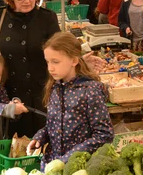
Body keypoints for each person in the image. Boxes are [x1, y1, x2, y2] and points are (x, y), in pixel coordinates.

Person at [0, 0, 60, 138]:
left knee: (45, 147)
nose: (27, 0)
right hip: (10, 96)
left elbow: (61, 52)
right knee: (14, 147)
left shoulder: (47, 18)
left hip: (43, 96)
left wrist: (78, 59)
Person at [27, 32, 114, 164]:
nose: (50, 68)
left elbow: (104, 134)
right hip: (52, 164)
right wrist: (40, 137)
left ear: (74, 60)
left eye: (55, 62)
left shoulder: (90, 91)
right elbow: (53, 124)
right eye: (47, 62)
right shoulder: (54, 87)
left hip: (80, 168)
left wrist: (69, 158)